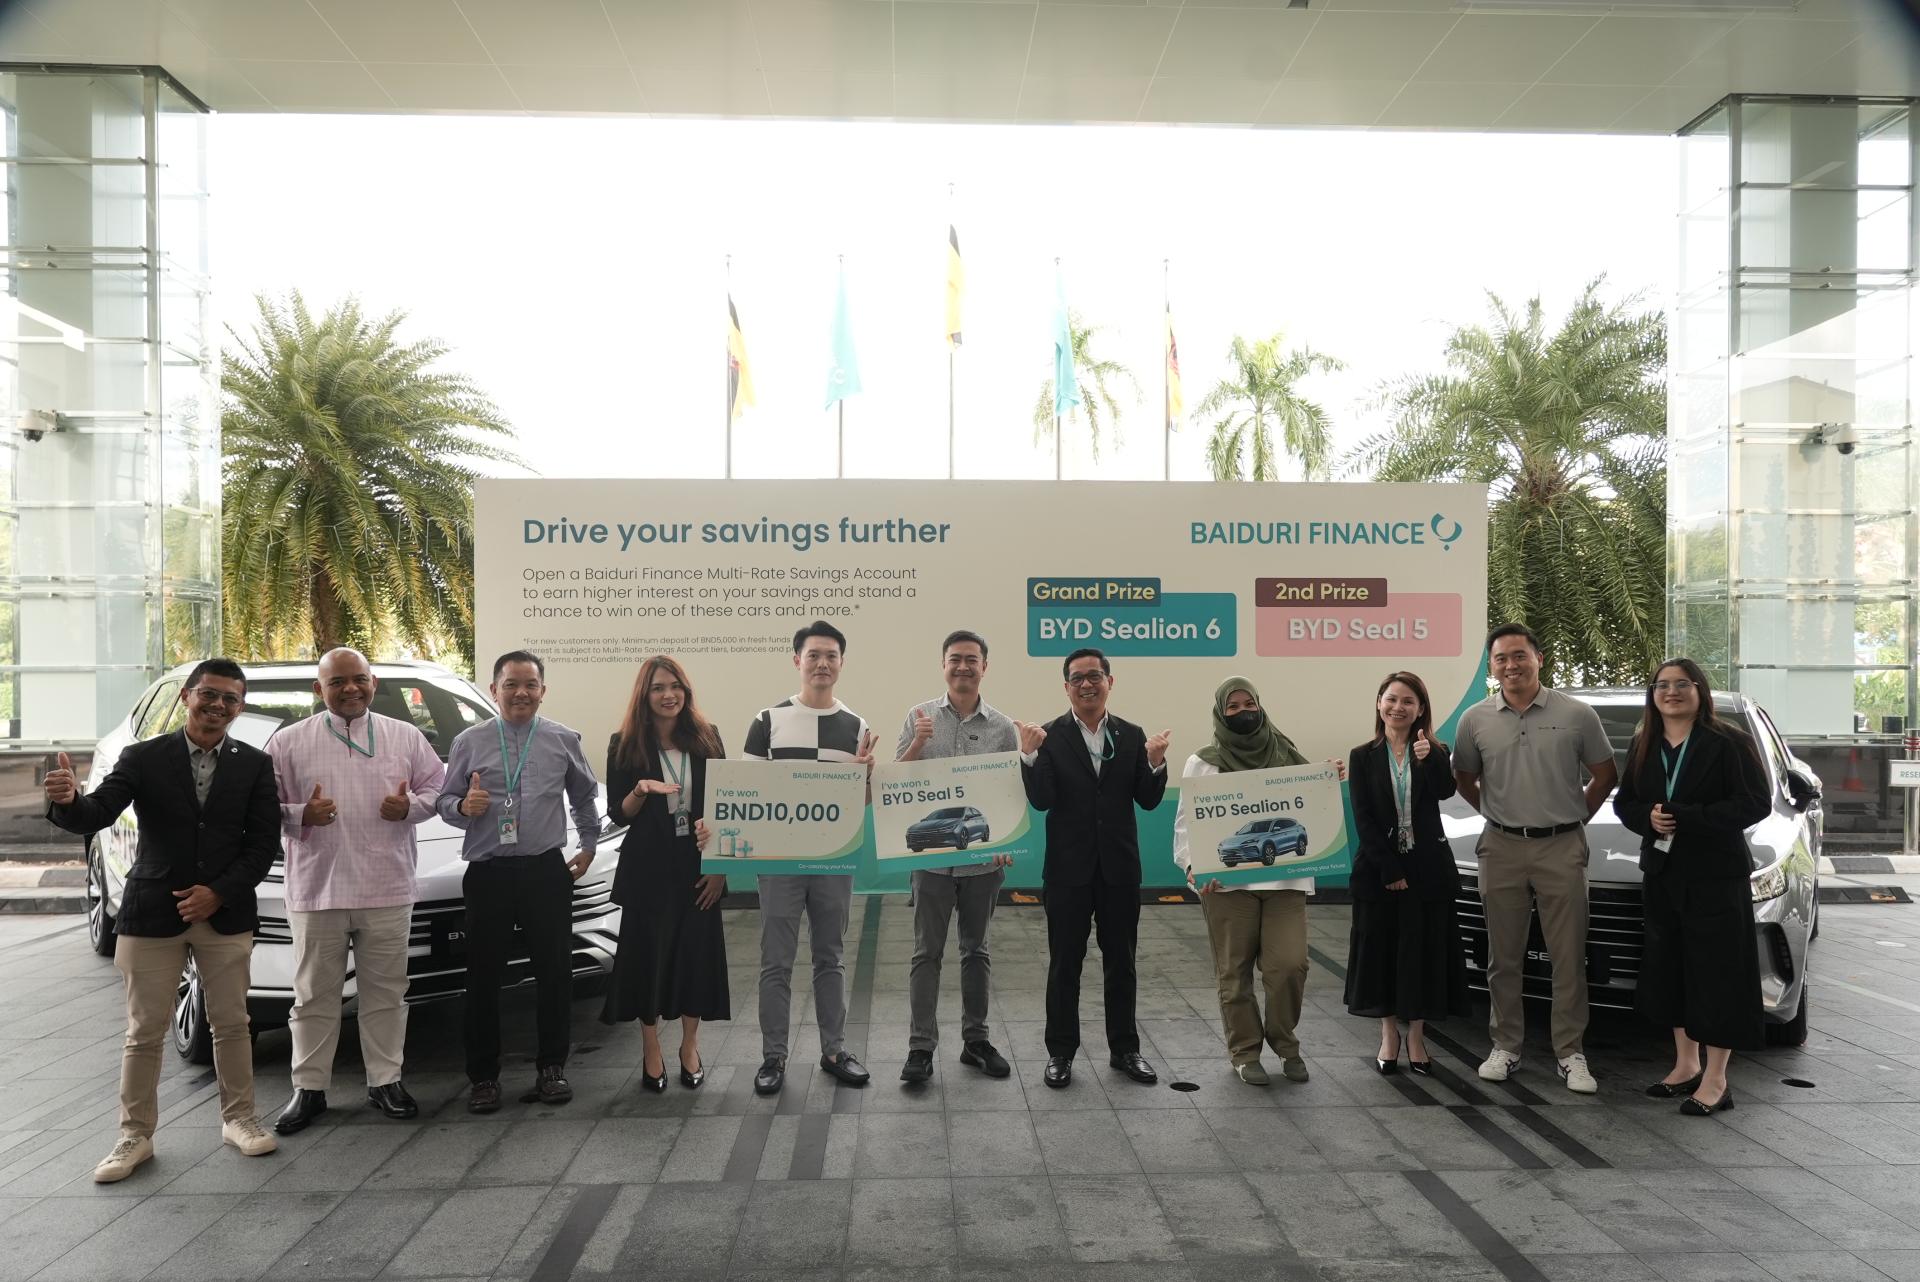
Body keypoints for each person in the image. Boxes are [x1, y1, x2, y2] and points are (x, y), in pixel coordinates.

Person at [44, 658, 280, 1182]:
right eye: (209, 694)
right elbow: (99, 812)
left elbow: (263, 843)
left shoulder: (254, 764)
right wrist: (68, 800)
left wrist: (218, 893)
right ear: (186, 697)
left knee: (233, 1024)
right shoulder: (144, 756)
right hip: (152, 911)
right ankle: (134, 1136)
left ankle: (240, 1120)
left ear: (240, 708)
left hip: (224, 914)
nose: (218, 705)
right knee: (144, 1031)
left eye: (230, 699)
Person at [267, 647, 446, 1135]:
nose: (350, 688)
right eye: (337, 682)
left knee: (387, 992)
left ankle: (385, 1081)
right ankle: (309, 1088)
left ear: (373, 683)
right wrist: (301, 814)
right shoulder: (287, 742)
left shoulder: (404, 735)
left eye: (359, 679)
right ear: (318, 689)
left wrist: (410, 808)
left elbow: (438, 789)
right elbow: (260, 806)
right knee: (312, 995)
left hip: (387, 885)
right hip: (317, 890)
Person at [1453, 623, 1617, 1093]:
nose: (1511, 665)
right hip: (1501, 847)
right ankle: (1506, 1046)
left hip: (1561, 847)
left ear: (1539, 659)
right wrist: (1495, 814)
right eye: (1501, 658)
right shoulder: (1475, 719)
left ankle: (1570, 1053)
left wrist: (1575, 818)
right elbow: (1464, 777)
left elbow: (1605, 774)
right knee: (1503, 958)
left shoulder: (1577, 714)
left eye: (1519, 655)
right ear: (1491, 666)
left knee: (1568, 957)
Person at [437, 650, 600, 1114]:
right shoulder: (468, 741)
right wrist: (461, 807)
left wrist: (588, 845)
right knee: (482, 977)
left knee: (555, 974)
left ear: (542, 691)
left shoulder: (563, 739)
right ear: (494, 690)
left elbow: (584, 796)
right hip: (488, 874)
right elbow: (445, 801)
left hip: (545, 872)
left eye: (530, 684)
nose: (521, 693)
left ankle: (552, 1069)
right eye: (511, 684)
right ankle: (483, 1078)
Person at [1613, 658, 1770, 1116]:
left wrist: (1689, 817)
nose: (1672, 692)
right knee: (1672, 970)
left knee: (1717, 975)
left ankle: (1717, 1080)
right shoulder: (1644, 741)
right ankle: (1686, 1065)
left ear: (1700, 691)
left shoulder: (1729, 742)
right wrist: (1648, 818)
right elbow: (1626, 802)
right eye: (1662, 685)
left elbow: (1755, 803)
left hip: (1715, 876)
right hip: (1663, 873)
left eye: (1682, 684)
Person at [1017, 647, 1170, 1089]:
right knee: (1065, 964)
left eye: (1095, 676)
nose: (1087, 684)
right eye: (1078, 678)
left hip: (1119, 871)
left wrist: (1156, 763)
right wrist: (1028, 756)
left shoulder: (1131, 734)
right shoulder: (1048, 736)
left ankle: (1125, 1050)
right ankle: (1060, 1053)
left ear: (1109, 682)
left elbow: (1147, 799)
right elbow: (1042, 800)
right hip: (1068, 871)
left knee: (1122, 963)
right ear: (1066, 686)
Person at [744, 620, 877, 1096]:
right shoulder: (767, 721)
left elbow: (860, 805)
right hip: (779, 861)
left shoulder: (857, 726)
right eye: (814, 654)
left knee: (830, 958)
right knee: (775, 962)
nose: (822, 663)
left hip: (833, 860)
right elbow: (750, 793)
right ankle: (773, 1057)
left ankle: (834, 1051)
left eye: (831, 655)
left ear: (841, 663)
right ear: (797, 660)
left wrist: (864, 778)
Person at [1172, 676, 1323, 1086]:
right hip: (1227, 887)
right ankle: (1244, 1051)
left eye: (1248, 704)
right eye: (1233, 707)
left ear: (1260, 704)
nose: (1243, 712)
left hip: (1284, 883)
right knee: (1233, 972)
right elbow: (1186, 823)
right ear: (1221, 713)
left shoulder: (1288, 755)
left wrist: (1329, 780)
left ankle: (1284, 1041)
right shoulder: (1203, 762)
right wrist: (1192, 865)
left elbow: (1313, 803)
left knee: (1289, 965)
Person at [895, 629, 1019, 1084]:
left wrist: (1006, 842)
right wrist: (916, 743)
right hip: (930, 865)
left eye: (971, 659)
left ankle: (976, 1041)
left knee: (976, 951)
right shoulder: (919, 717)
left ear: (984, 666)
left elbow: (1009, 793)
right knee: (925, 953)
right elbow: (895, 784)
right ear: (943, 665)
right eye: (955, 659)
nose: (963, 666)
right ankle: (920, 1048)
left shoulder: (1002, 727)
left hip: (983, 865)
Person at [600, 655, 729, 1091]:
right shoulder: (624, 744)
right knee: (647, 960)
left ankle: (689, 1047)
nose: (668, 695)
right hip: (648, 870)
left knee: (695, 958)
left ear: (685, 691)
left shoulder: (708, 738)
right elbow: (619, 814)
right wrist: (641, 789)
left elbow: (726, 806)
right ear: (645, 694)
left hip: (697, 865)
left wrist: (719, 868)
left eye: (675, 686)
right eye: (658, 688)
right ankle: (651, 1047)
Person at [1344, 671, 1470, 1075]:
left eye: (1408, 701)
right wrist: (1389, 868)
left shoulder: (1435, 750)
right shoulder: (1362, 755)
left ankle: (1416, 1035)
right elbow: (1363, 817)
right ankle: (1388, 1034)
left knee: (1423, 954)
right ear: (1379, 703)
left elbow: (1444, 792)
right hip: (1379, 870)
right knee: (1380, 952)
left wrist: (1430, 758)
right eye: (1391, 699)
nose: (1398, 707)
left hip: (1427, 871)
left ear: (1420, 709)